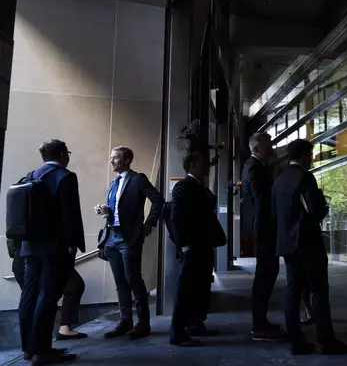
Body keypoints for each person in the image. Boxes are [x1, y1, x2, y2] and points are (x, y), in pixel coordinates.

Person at [273, 139, 347, 355]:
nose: (311, 159)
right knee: (319, 290)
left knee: (293, 291)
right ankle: (326, 341)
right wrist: (322, 208)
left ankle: (297, 342)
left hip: (287, 244)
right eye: (310, 155)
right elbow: (315, 209)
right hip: (308, 242)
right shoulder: (305, 177)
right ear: (303, 155)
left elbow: (274, 214)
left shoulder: (279, 181)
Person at [18, 139, 84, 365]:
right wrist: (73, 243)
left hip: (29, 246)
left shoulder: (30, 175)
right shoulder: (65, 176)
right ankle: (42, 351)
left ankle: (28, 348)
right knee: (47, 295)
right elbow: (70, 214)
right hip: (54, 247)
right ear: (63, 153)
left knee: (29, 295)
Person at [96, 146, 164, 339]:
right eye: (111, 158)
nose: (111, 161)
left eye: (115, 158)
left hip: (129, 238)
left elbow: (158, 200)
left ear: (126, 160)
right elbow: (115, 210)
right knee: (120, 283)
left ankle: (143, 324)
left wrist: (148, 224)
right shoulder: (112, 184)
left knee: (134, 279)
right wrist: (105, 211)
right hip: (111, 238)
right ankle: (125, 322)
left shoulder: (137, 179)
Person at [169, 152, 220, 346]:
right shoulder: (183, 186)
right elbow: (177, 218)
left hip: (202, 246)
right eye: (203, 162)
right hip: (192, 248)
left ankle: (195, 324)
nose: (207, 166)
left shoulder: (199, 187)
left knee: (200, 287)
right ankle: (178, 333)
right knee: (186, 290)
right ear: (192, 165)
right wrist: (185, 245)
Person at [242, 132, 283, 341]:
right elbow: (262, 201)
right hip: (265, 230)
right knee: (265, 276)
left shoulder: (255, 166)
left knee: (266, 275)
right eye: (268, 145)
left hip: (264, 229)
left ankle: (261, 323)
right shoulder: (254, 168)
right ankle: (259, 326)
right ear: (256, 149)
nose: (272, 149)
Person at [10, 239, 87, 341]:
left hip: (27, 251)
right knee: (44, 298)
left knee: (34, 298)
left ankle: (32, 348)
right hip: (42, 251)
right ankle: (39, 348)